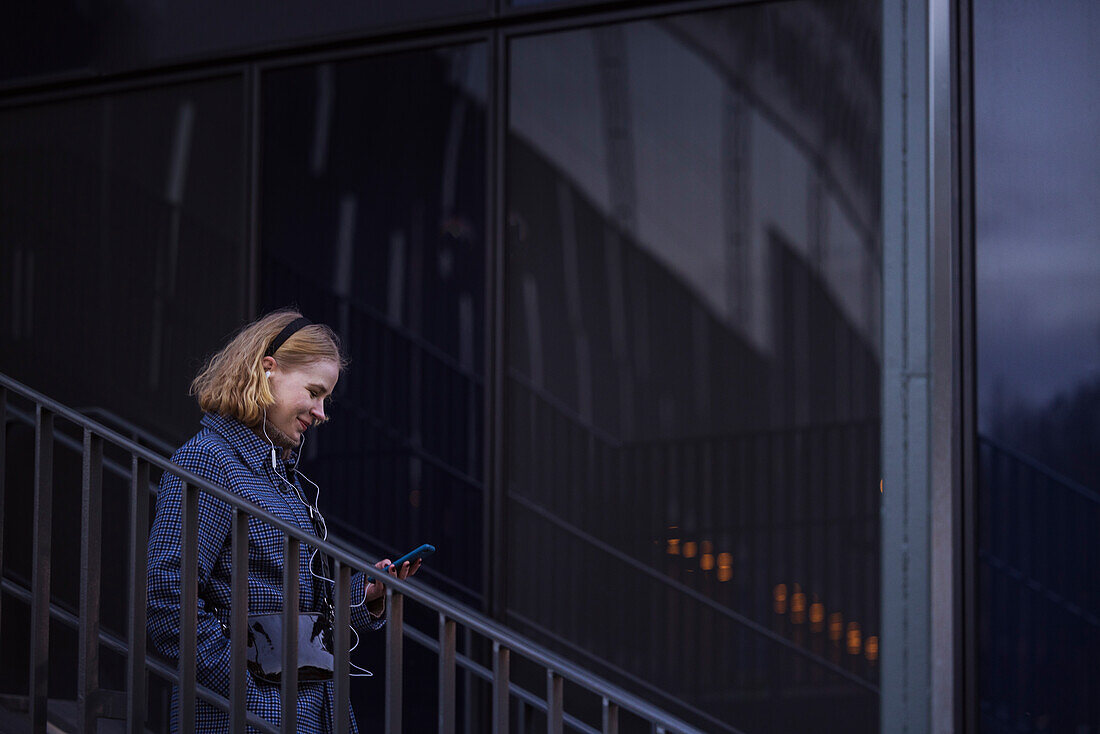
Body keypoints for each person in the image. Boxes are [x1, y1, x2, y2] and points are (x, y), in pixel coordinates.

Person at [147, 310, 419, 733]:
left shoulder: (280, 479)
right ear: (268, 370)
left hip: (307, 713)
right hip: (247, 718)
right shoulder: (210, 459)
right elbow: (167, 601)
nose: (322, 411)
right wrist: (252, 693)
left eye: (325, 398)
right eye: (314, 392)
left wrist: (363, 598)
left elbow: (293, 606)